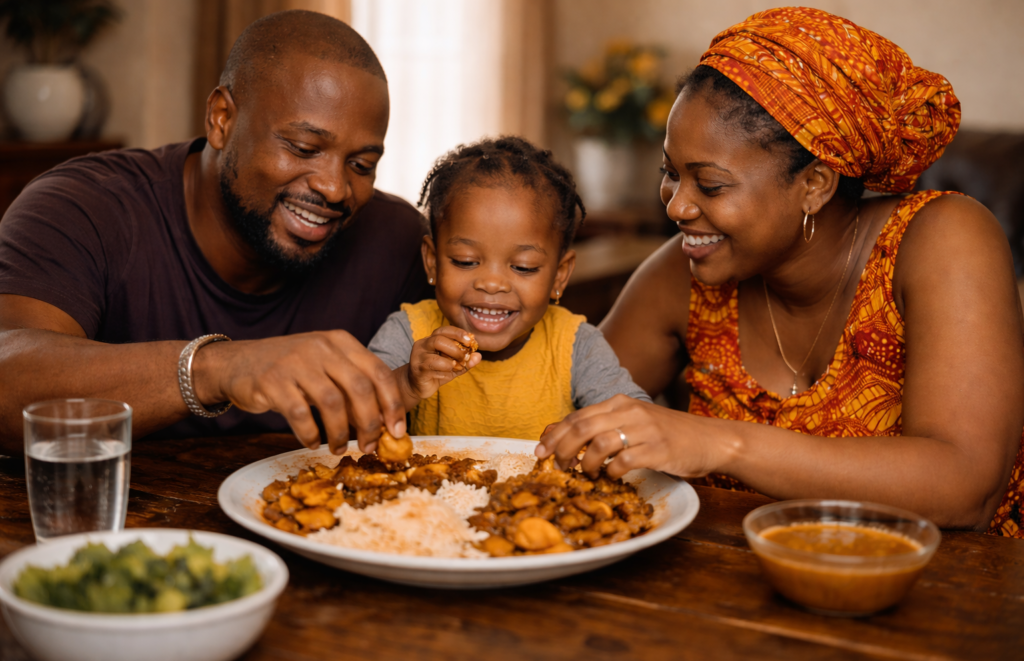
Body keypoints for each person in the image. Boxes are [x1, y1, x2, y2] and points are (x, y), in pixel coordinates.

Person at [536, 7, 1024, 538]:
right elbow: (552, 419)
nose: (676, 207)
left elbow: (967, 487)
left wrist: (717, 442)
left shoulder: (942, 240)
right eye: (670, 174)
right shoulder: (685, 273)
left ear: (814, 183)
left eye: (711, 185)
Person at [0, 10, 430, 456]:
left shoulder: (398, 241)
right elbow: (7, 381)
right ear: (222, 118)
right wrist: (215, 368)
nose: (334, 187)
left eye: (361, 165)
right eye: (304, 148)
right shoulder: (83, 206)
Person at [368, 136, 649, 440]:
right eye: (465, 261)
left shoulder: (576, 347)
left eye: (523, 267)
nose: (491, 283)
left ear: (559, 276)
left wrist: (600, 434)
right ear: (433, 262)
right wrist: (407, 383)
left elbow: (640, 422)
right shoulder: (408, 332)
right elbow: (353, 419)